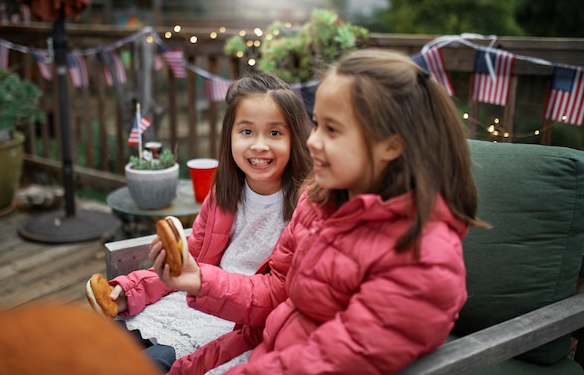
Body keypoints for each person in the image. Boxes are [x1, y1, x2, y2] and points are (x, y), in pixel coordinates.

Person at [152, 49, 488, 375]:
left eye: (333, 130)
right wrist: (201, 280)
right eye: (316, 125)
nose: (312, 141)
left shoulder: (421, 259)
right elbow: (275, 293)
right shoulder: (317, 205)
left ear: (392, 144)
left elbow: (329, 360)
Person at [90, 72, 312, 372]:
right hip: (190, 302)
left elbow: (277, 294)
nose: (259, 146)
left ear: (295, 137)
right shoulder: (224, 192)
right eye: (246, 132)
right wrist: (130, 290)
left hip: (241, 324)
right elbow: (191, 258)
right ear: (229, 135)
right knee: (97, 345)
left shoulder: (306, 207)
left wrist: (200, 283)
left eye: (275, 133)